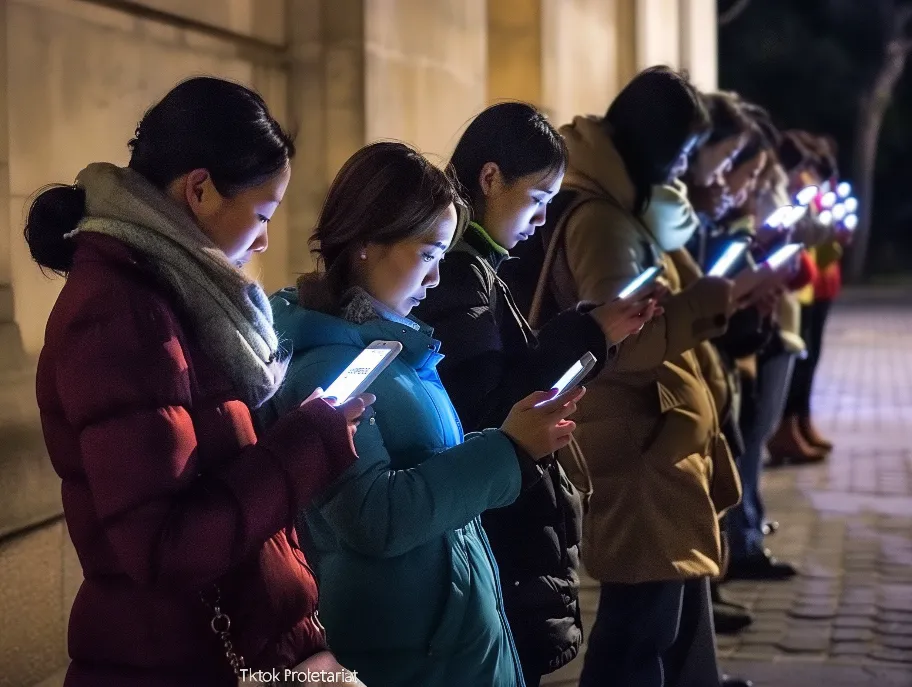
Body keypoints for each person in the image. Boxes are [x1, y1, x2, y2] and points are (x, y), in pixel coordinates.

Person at [26, 77, 370, 686]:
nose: (264, 238)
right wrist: (308, 444)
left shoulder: (175, 293)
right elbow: (164, 546)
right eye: (262, 213)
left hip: (234, 648)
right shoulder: (121, 311)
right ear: (201, 189)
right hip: (176, 661)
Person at [259, 141, 583, 687]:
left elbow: (429, 469)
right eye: (429, 253)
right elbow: (370, 516)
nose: (435, 280)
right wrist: (508, 449)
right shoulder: (330, 368)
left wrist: (508, 440)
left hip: (447, 639)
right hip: (407, 653)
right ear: (365, 243)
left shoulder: (392, 349)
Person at [506, 66, 744, 687]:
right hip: (636, 436)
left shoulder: (616, 206)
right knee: (639, 625)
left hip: (651, 431)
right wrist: (704, 303)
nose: (684, 168)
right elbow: (623, 339)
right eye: (684, 151)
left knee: (662, 606)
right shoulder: (604, 220)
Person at [414, 102, 660, 687]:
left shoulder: (479, 267)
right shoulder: (459, 274)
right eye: (537, 198)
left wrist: (594, 333)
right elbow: (496, 404)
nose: (543, 219)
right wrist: (590, 333)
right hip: (498, 530)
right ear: (490, 178)